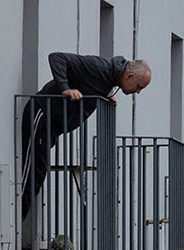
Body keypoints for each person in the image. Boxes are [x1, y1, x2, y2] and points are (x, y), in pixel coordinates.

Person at [20, 53, 152, 226]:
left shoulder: (107, 79)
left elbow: (91, 83)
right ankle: (13, 226)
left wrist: (105, 94)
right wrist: (64, 88)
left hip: (51, 127)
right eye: (139, 86)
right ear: (129, 76)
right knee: (31, 175)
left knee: (37, 174)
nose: (138, 91)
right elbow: (57, 58)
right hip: (42, 115)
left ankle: (16, 222)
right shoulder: (99, 67)